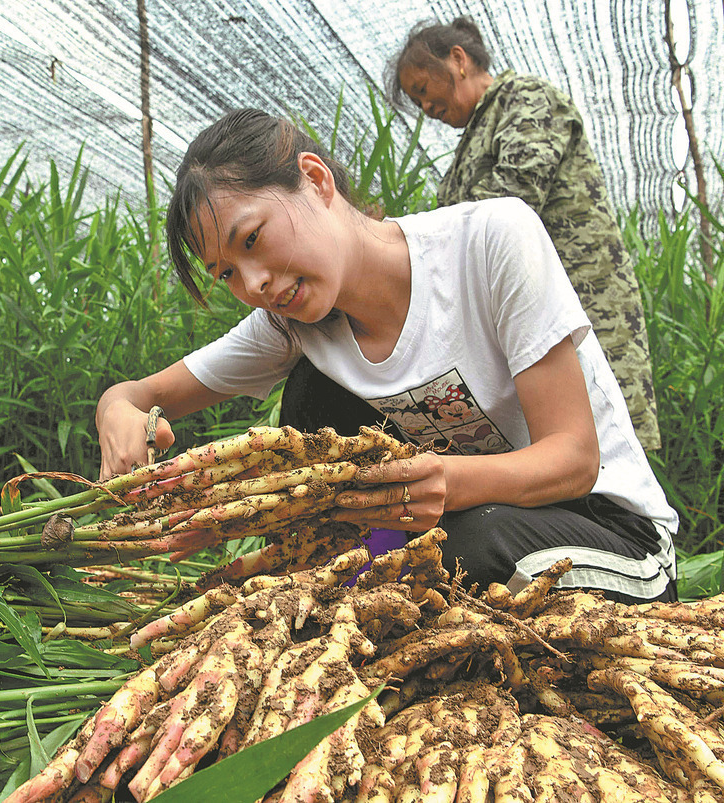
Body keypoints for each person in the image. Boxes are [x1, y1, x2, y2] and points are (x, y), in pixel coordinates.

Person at [95, 109, 678, 604]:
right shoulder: (296, 325)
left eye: (253, 239)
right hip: (464, 531)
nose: (255, 283)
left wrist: (446, 479)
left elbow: (574, 459)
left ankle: (387, 578)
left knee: (465, 549)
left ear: (315, 180)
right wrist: (117, 414)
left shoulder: (491, 242)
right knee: (313, 398)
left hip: (608, 528)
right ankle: (364, 578)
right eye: (227, 273)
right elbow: (134, 397)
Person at [383, 16, 661, 451]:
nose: (425, 108)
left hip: (585, 300)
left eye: (422, 89)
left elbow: (512, 193)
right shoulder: (472, 139)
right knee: (554, 446)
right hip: (532, 315)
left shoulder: (525, 98)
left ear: (458, 60)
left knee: (607, 439)